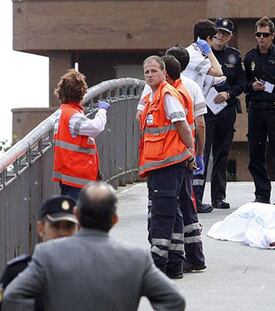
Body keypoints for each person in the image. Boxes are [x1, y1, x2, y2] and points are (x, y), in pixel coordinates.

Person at [2, 182, 186, 311]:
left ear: (77, 215)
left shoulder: (48, 254)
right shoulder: (137, 258)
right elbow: (174, 300)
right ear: (114, 220)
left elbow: (12, 296)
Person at [139, 56, 194, 279]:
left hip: (168, 163)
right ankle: (174, 265)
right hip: (160, 165)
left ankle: (158, 265)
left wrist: (191, 152)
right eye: (146, 72)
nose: (150, 75)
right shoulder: (153, 98)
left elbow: (183, 125)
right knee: (174, 213)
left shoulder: (167, 95)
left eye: (153, 71)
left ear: (163, 73)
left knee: (162, 215)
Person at [192, 18, 245, 211]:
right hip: (205, 111)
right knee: (203, 153)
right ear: (212, 36)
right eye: (218, 33)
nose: (221, 36)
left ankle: (218, 197)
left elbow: (242, 83)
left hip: (226, 109)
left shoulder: (234, 56)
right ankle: (197, 197)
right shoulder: (201, 54)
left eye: (225, 33)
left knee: (222, 154)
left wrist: (228, 93)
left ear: (230, 36)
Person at [163, 49, 208, 273]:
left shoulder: (163, 90)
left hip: (167, 159)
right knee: (188, 205)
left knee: (170, 208)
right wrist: (198, 153)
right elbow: (200, 124)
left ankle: (174, 258)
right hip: (186, 156)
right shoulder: (191, 87)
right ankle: (195, 256)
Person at [0, 196, 78, 311]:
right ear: (41, 228)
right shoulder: (17, 271)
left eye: (69, 227)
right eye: (55, 226)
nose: (63, 233)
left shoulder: (86, 271)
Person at [243, 16, 275, 204]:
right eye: (258, 34)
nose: (261, 38)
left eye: (265, 34)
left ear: (272, 35)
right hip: (256, 109)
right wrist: (250, 86)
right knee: (256, 153)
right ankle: (262, 194)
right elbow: (242, 82)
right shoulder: (250, 57)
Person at [182, 19, 224, 213]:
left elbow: (219, 78)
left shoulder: (194, 54)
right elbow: (219, 71)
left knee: (197, 155)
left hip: (192, 108)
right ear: (207, 38)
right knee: (196, 153)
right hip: (190, 111)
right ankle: (193, 200)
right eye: (213, 38)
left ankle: (194, 199)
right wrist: (209, 52)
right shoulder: (196, 55)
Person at [52, 69, 110, 200]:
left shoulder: (62, 113)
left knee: (71, 213)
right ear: (81, 93)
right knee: (79, 215)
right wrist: (102, 110)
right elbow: (96, 127)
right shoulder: (73, 116)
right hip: (78, 177)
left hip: (67, 175)